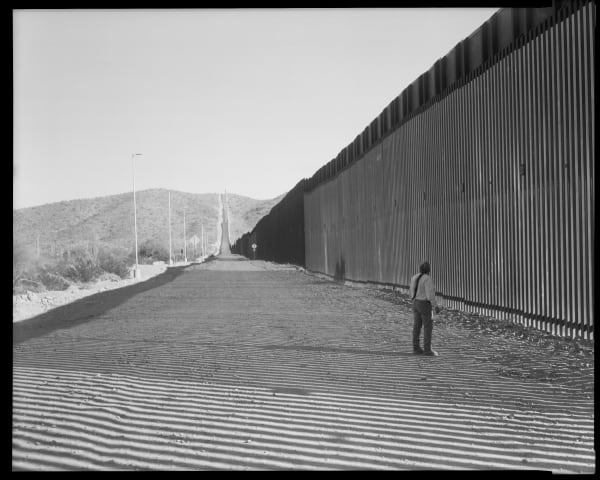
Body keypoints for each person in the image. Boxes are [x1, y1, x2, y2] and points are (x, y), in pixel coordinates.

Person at [410, 261, 441, 355]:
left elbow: (411, 289)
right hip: (424, 304)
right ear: (429, 270)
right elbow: (430, 295)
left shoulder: (414, 277)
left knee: (416, 326)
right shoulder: (427, 279)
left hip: (415, 302)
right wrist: (435, 306)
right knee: (428, 327)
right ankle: (427, 349)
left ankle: (416, 348)